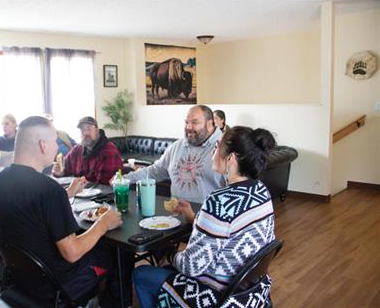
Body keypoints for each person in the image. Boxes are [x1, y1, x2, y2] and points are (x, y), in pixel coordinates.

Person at [0, 116, 133, 307]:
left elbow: (33, 208)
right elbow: (72, 253)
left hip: (21, 277)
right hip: (59, 284)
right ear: (42, 145)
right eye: (55, 141)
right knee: (117, 252)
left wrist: (68, 193)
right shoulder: (48, 189)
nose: (57, 147)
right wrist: (103, 223)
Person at [132, 126, 277, 307]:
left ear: (230, 159)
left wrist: (169, 256)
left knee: (142, 274)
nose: (213, 152)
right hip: (251, 293)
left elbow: (191, 266)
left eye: (216, 147)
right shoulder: (261, 191)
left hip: (217, 297)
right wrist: (194, 217)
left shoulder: (219, 201)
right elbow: (227, 232)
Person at [124, 105, 225, 204]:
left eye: (194, 122)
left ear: (209, 124)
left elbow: (235, 189)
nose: (188, 127)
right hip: (175, 213)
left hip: (208, 218)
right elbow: (155, 171)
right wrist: (126, 179)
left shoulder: (225, 148)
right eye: (186, 122)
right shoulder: (177, 146)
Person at [52, 116, 123, 185]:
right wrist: (60, 172)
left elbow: (106, 184)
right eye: (82, 130)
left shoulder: (109, 150)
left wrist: (82, 183)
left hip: (102, 195)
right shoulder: (77, 149)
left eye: (89, 129)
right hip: (79, 193)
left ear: (97, 130)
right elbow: (66, 169)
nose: (85, 133)